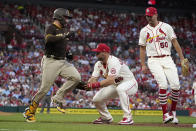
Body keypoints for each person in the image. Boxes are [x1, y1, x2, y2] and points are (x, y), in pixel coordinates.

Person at [23, 8, 81, 122]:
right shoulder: (51, 27)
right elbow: (48, 40)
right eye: (65, 17)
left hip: (62, 61)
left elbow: (61, 44)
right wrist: (65, 36)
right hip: (51, 61)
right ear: (59, 16)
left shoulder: (64, 29)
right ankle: (30, 111)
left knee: (76, 77)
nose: (67, 20)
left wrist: (67, 53)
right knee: (44, 89)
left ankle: (57, 97)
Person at [139, 7, 186, 124]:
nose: (149, 18)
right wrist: (143, 64)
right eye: (147, 16)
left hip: (167, 58)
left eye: (151, 15)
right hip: (153, 60)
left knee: (176, 86)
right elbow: (142, 48)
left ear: (156, 15)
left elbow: (175, 42)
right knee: (163, 84)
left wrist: (181, 58)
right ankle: (165, 114)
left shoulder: (166, 27)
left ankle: (173, 113)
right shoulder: (144, 31)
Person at [86, 43, 138, 125]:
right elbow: (93, 79)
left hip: (129, 82)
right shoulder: (98, 64)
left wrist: (95, 85)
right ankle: (106, 118)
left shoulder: (113, 61)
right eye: (96, 52)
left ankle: (128, 118)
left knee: (121, 89)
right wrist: (88, 85)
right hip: (116, 84)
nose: (96, 54)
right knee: (96, 99)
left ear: (105, 52)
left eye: (98, 52)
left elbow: (110, 80)